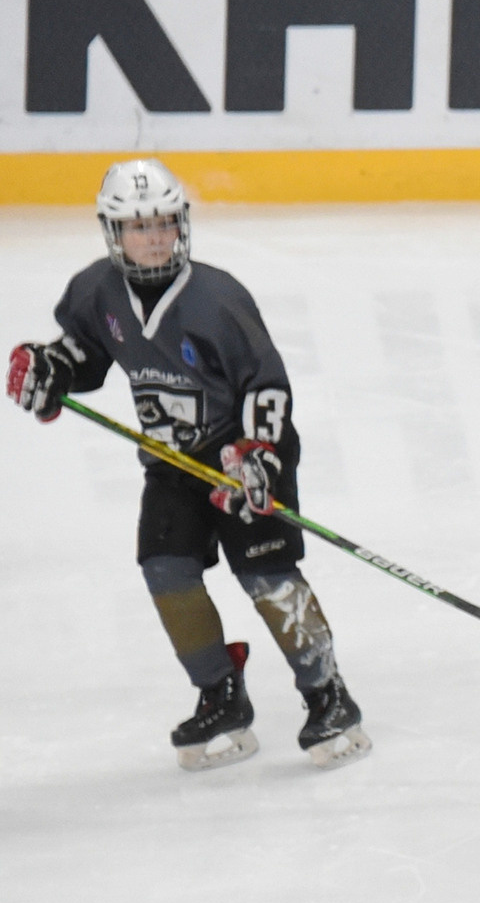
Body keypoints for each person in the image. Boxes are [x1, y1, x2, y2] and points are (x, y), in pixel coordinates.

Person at [6, 159, 365, 770]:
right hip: (173, 464)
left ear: (181, 225)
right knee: (166, 570)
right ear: (112, 233)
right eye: (138, 226)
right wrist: (49, 369)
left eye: (165, 223)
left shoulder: (218, 298)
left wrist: (259, 458)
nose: (154, 237)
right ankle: (221, 693)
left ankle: (328, 695)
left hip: (243, 455)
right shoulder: (96, 291)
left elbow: (266, 386)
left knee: (266, 576)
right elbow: (83, 356)